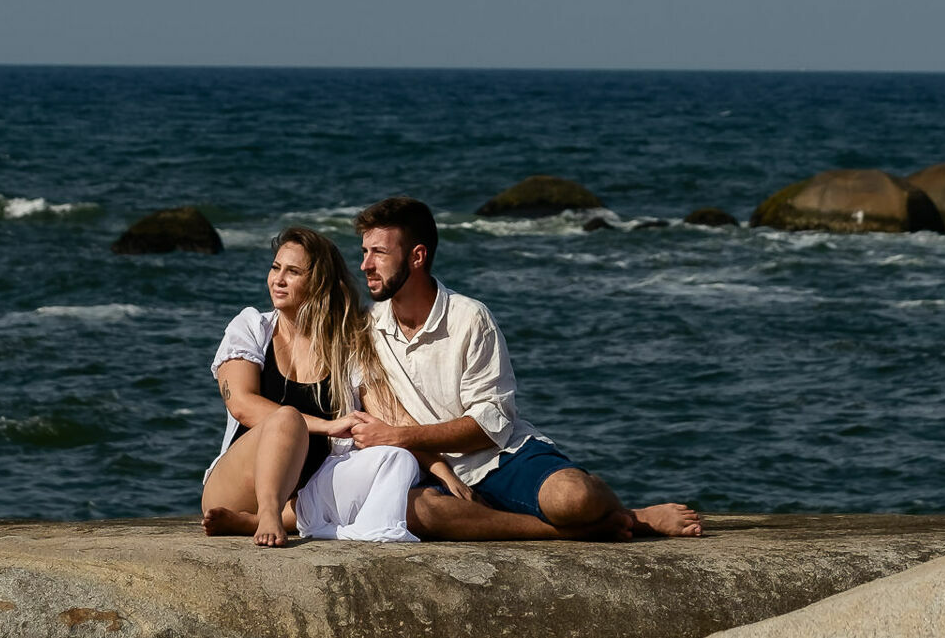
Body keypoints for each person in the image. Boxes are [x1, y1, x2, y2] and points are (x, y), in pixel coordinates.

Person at [345, 196, 703, 541]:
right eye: (364, 252)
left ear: (417, 256)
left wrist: (399, 437)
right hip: (429, 470)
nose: (365, 265)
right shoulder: (366, 330)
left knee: (574, 498)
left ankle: (630, 515)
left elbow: (490, 427)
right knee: (414, 513)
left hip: (498, 457)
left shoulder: (469, 318)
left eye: (378, 252)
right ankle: (578, 533)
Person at [200, 226, 469, 546]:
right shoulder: (251, 328)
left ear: (317, 283)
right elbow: (241, 404)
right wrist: (329, 426)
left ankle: (270, 520)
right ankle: (268, 513)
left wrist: (442, 468)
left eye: (293, 272)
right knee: (287, 418)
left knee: (395, 460)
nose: (278, 280)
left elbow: (391, 422)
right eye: (275, 268)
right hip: (236, 486)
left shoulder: (347, 347)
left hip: (306, 496)